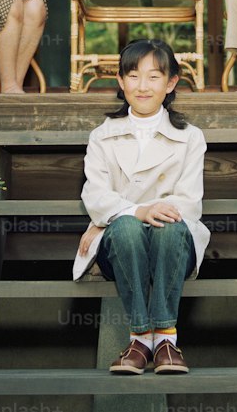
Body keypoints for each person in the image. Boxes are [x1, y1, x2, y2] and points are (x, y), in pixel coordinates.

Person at [73, 39, 209, 376]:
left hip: (172, 243)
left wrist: (142, 211)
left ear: (171, 83)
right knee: (128, 227)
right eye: (133, 76)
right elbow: (96, 196)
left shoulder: (191, 137)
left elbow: (188, 201)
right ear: (120, 82)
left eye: (153, 77)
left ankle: (159, 338)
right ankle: (147, 338)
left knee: (170, 226)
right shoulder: (102, 136)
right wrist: (137, 212)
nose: (142, 86)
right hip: (122, 243)